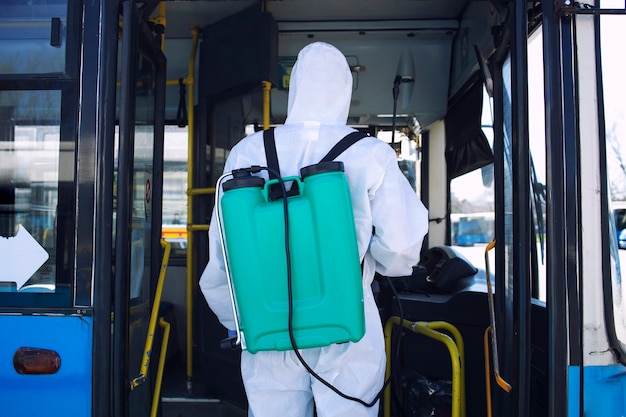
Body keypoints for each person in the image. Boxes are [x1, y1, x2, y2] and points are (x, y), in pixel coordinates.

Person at [199, 41, 428, 417]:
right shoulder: (369, 153)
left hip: (270, 327)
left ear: (295, 89)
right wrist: (370, 259)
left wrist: (245, 323)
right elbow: (401, 250)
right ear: (344, 92)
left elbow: (223, 264)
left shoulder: (246, 153)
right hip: (347, 325)